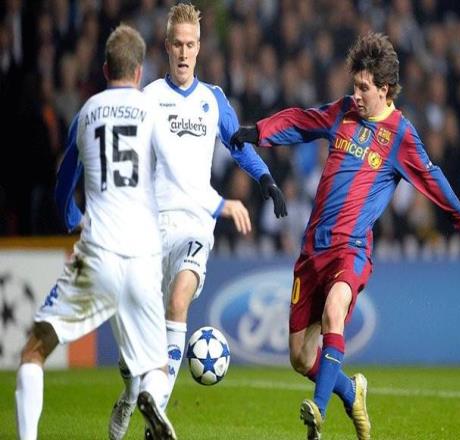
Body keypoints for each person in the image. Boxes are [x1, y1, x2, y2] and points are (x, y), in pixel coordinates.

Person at [231, 32, 460, 440]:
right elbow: (301, 120)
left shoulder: (400, 135)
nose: (356, 94)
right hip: (312, 250)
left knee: (335, 311)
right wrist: (259, 132)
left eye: (364, 88)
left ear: (384, 89)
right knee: (300, 357)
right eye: (354, 85)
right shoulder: (343, 113)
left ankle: (317, 410)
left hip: (350, 249)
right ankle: (351, 393)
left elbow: (431, 177)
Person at [108, 4, 287, 440]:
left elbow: (238, 146)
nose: (185, 53)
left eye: (191, 45)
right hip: (150, 229)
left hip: (194, 226)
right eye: (178, 45)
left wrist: (266, 180)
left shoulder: (213, 99)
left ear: (200, 47)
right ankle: (132, 393)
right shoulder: (149, 98)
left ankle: (157, 414)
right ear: (167, 47)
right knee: (138, 349)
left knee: (179, 301)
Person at [15, 25, 177, 440]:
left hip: (98, 252)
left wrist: (74, 218)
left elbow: (62, 188)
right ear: (140, 71)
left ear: (105, 69)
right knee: (156, 367)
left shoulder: (86, 113)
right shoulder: (153, 112)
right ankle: (151, 400)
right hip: (142, 256)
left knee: (34, 350)